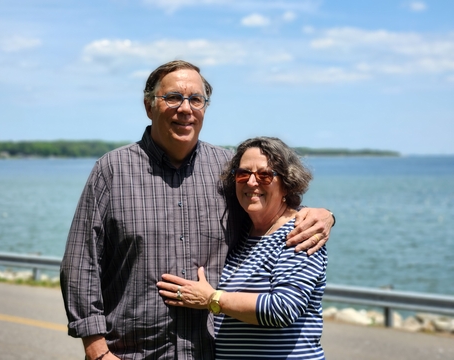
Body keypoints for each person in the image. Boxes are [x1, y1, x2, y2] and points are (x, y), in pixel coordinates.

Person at [60, 60, 335, 360]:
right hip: (132, 353)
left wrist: (323, 216)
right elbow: (81, 263)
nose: (185, 109)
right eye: (173, 97)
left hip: (209, 353)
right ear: (149, 106)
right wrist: (97, 350)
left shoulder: (227, 168)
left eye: (196, 99)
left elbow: (267, 204)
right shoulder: (112, 170)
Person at [157, 136, 327, 359]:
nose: (251, 182)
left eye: (265, 175)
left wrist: (212, 299)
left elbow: (282, 309)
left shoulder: (300, 233)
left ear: (287, 184)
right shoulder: (244, 234)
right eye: (243, 174)